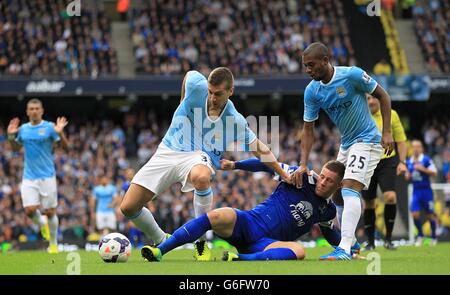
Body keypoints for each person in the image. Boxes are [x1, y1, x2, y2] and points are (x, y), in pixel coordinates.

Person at [120, 67, 290, 261]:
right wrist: (182, 103)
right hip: (168, 149)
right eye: (210, 92)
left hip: (199, 156)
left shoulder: (235, 120)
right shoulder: (195, 86)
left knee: (201, 177)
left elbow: (260, 149)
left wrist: (282, 173)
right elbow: (188, 76)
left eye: (218, 94)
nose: (212, 97)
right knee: (128, 207)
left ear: (230, 91)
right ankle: (161, 239)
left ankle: (200, 243)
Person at [140, 159, 361, 262]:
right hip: (249, 223)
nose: (323, 181)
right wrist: (235, 165)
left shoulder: (328, 211)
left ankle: (241, 259)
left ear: (339, 185)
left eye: (329, 180)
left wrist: (350, 245)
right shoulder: (299, 176)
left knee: (299, 251)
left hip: (267, 243)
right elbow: (266, 164)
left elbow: (330, 234)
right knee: (218, 214)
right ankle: (161, 250)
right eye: (322, 175)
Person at [292, 42, 394, 260]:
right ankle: (354, 245)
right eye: (305, 66)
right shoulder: (312, 91)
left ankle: (345, 248)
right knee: (336, 193)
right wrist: (303, 163)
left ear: (325, 61)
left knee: (349, 187)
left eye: (311, 65)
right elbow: (308, 129)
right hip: (347, 144)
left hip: (367, 140)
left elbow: (384, 96)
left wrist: (387, 132)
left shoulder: (352, 75)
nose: (308, 70)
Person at [7, 98, 69, 253]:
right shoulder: (23, 129)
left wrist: (60, 133)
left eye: (37, 108)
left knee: (50, 212)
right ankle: (42, 224)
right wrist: (10, 136)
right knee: (29, 210)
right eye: (31, 109)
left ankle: (53, 244)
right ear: (27, 112)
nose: (34, 111)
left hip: (47, 176)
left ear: (42, 111)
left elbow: (66, 148)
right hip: (29, 177)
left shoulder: (49, 128)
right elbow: (15, 147)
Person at [362, 94, 407, 250]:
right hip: (367, 161)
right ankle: (370, 242)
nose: (372, 101)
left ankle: (388, 239)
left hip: (388, 160)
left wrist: (402, 162)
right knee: (369, 202)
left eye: (374, 98)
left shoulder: (391, 114)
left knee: (390, 196)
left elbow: (401, 140)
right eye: (368, 98)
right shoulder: (360, 114)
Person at [405, 140, 438, 246]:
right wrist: (407, 176)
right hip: (416, 191)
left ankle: (433, 236)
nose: (415, 149)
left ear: (421, 148)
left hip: (426, 191)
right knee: (414, 213)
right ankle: (420, 235)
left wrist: (422, 169)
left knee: (430, 214)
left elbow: (434, 173)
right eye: (413, 146)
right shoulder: (409, 161)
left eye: (418, 146)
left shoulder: (426, 160)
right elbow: (407, 175)